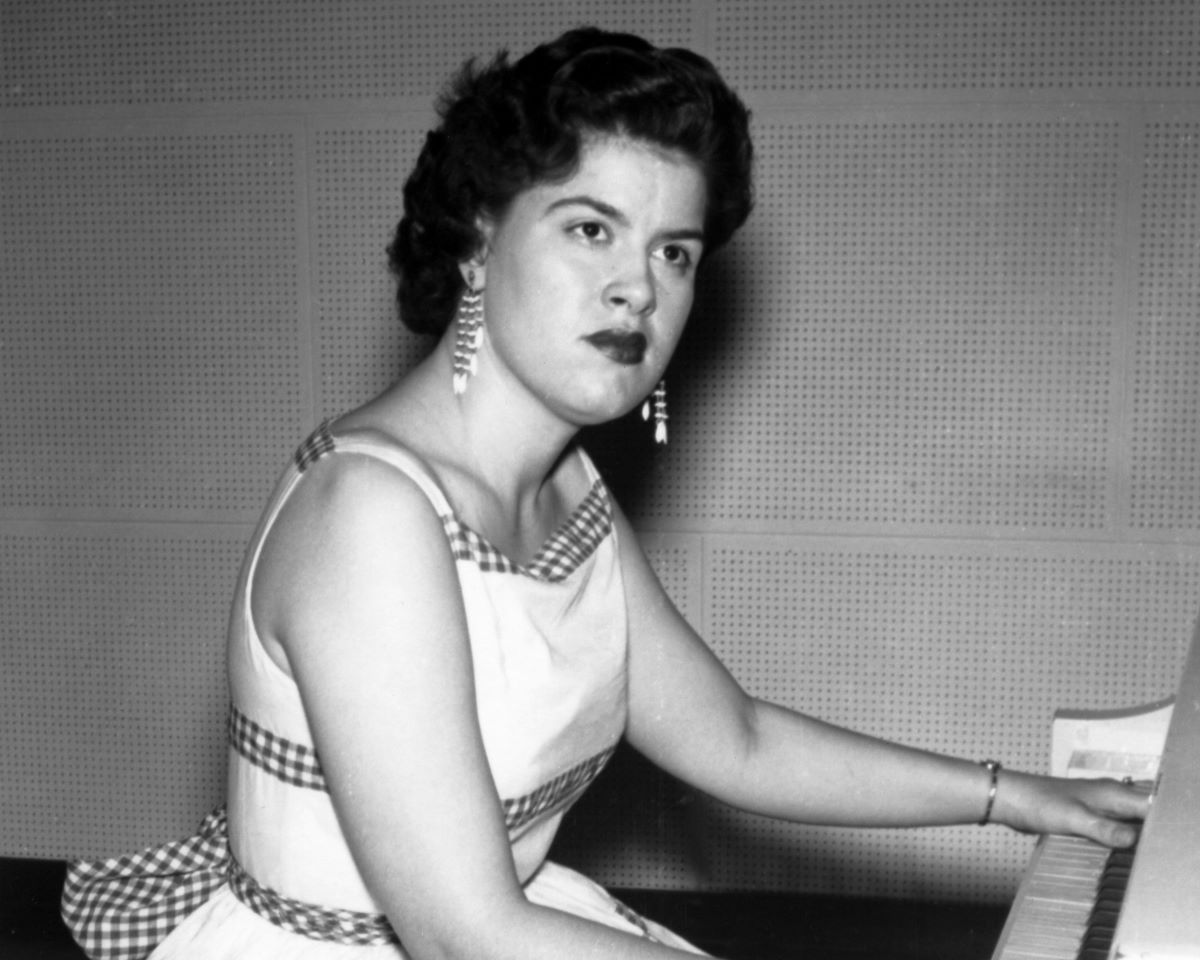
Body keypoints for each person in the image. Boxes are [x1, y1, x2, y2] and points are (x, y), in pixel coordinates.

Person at [62, 26, 1149, 960]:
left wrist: (1012, 798)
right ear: (480, 238)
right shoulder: (373, 517)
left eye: (674, 250)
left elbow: (734, 740)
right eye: (591, 228)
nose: (640, 285)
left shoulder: (566, 490)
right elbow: (464, 930)